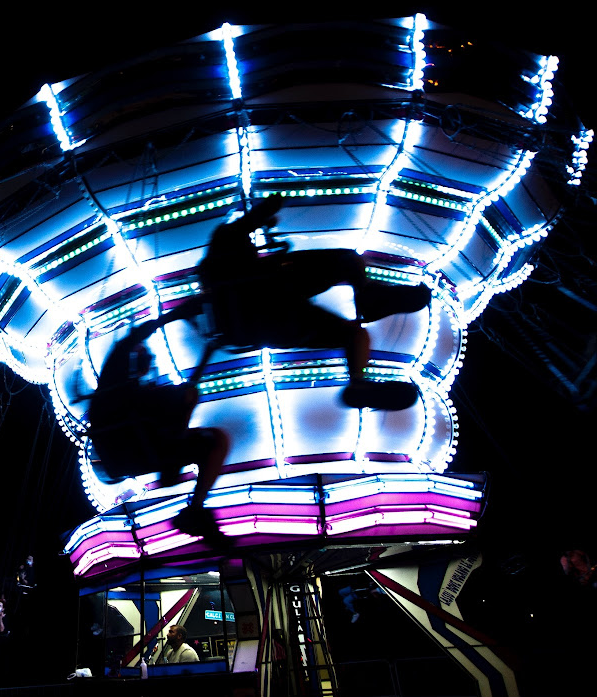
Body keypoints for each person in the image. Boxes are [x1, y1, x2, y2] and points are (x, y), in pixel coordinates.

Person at [197, 196, 432, 410]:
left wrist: (267, 212)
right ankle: (366, 300)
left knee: (350, 271)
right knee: (348, 268)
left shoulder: (223, 247)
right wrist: (272, 207)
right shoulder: (227, 246)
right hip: (271, 303)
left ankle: (366, 303)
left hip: (265, 308)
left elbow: (249, 227)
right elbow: (258, 219)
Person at [87, 305, 229, 538]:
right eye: (145, 353)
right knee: (194, 410)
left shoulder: (125, 388)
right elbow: (128, 343)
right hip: (132, 446)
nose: (150, 357)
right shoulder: (116, 381)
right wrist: (171, 316)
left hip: (139, 448)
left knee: (211, 437)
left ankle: (195, 504)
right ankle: (191, 498)